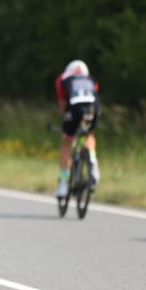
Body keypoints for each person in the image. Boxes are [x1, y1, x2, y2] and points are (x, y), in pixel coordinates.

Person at [54, 59, 101, 198]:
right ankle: (92, 161)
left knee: (67, 142)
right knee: (88, 134)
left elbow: (63, 104)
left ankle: (63, 182)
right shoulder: (91, 79)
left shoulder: (62, 79)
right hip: (92, 108)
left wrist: (65, 123)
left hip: (74, 109)